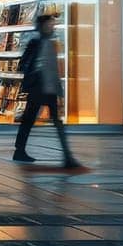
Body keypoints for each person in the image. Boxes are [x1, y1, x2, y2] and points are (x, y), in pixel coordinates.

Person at [13, 14, 81, 169]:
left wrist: (58, 91)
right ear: (42, 26)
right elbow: (25, 63)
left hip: (48, 89)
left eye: (53, 25)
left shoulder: (50, 44)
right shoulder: (36, 43)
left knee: (50, 121)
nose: (52, 27)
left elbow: (53, 69)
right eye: (49, 25)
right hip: (39, 88)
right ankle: (20, 150)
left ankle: (67, 156)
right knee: (30, 120)